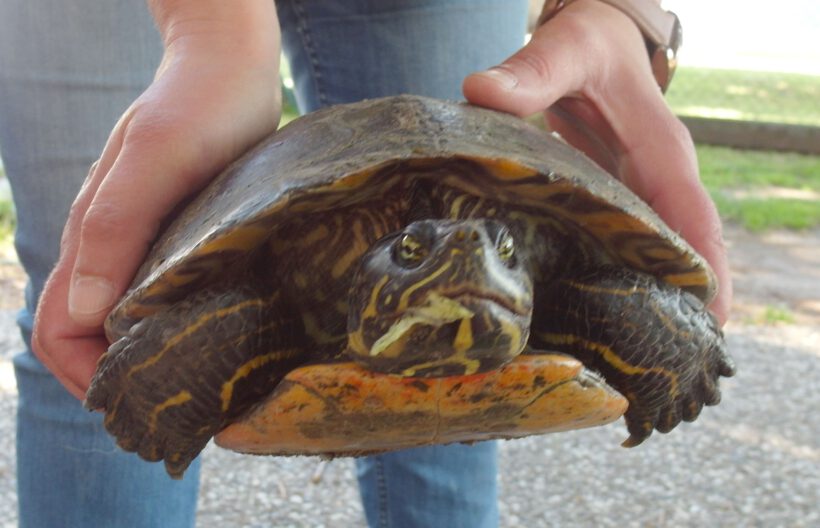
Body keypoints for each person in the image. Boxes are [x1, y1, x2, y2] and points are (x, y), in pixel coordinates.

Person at [0, 0, 730, 526]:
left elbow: (627, 295)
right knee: (94, 330)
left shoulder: (548, 274)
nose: (472, 252)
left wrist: (616, 9)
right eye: (415, 256)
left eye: (502, 252)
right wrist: (213, 27)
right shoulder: (284, 284)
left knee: (445, 439)